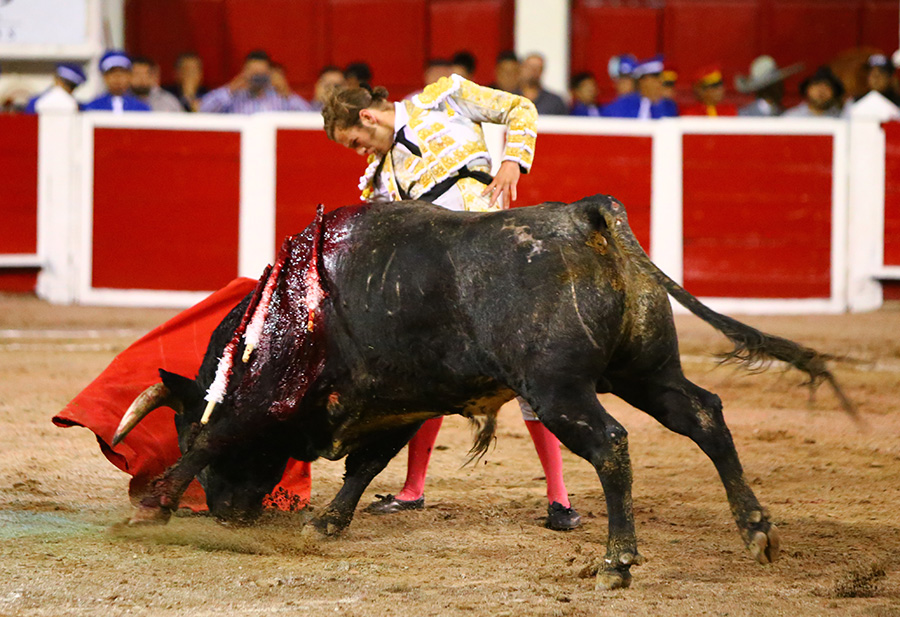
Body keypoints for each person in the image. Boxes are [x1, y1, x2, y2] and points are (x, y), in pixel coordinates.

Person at [321, 77, 582, 530]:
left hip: (495, 262)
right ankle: (412, 489)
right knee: (427, 380)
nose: (360, 152)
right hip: (440, 287)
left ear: (367, 117)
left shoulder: (443, 99)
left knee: (528, 374)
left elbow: (520, 108)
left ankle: (559, 498)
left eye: (355, 141)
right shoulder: (379, 178)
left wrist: (512, 161)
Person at [199, 50, 311, 113]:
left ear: (269, 73)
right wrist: (230, 89)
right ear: (244, 72)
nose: (257, 78)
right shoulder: (233, 97)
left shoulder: (280, 98)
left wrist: (287, 93)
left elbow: (309, 117)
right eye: (253, 73)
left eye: (260, 73)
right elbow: (203, 109)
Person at [602, 55, 678, 119]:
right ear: (642, 81)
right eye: (655, 79)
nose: (659, 84)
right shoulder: (622, 106)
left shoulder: (668, 106)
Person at [83, 50, 151, 113]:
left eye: (122, 72)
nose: (117, 77)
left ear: (129, 76)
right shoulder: (92, 107)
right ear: (104, 77)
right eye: (112, 72)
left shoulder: (141, 108)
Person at [735, 55, 803, 117]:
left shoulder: (784, 114)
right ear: (768, 88)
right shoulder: (745, 116)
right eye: (778, 83)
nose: (782, 87)